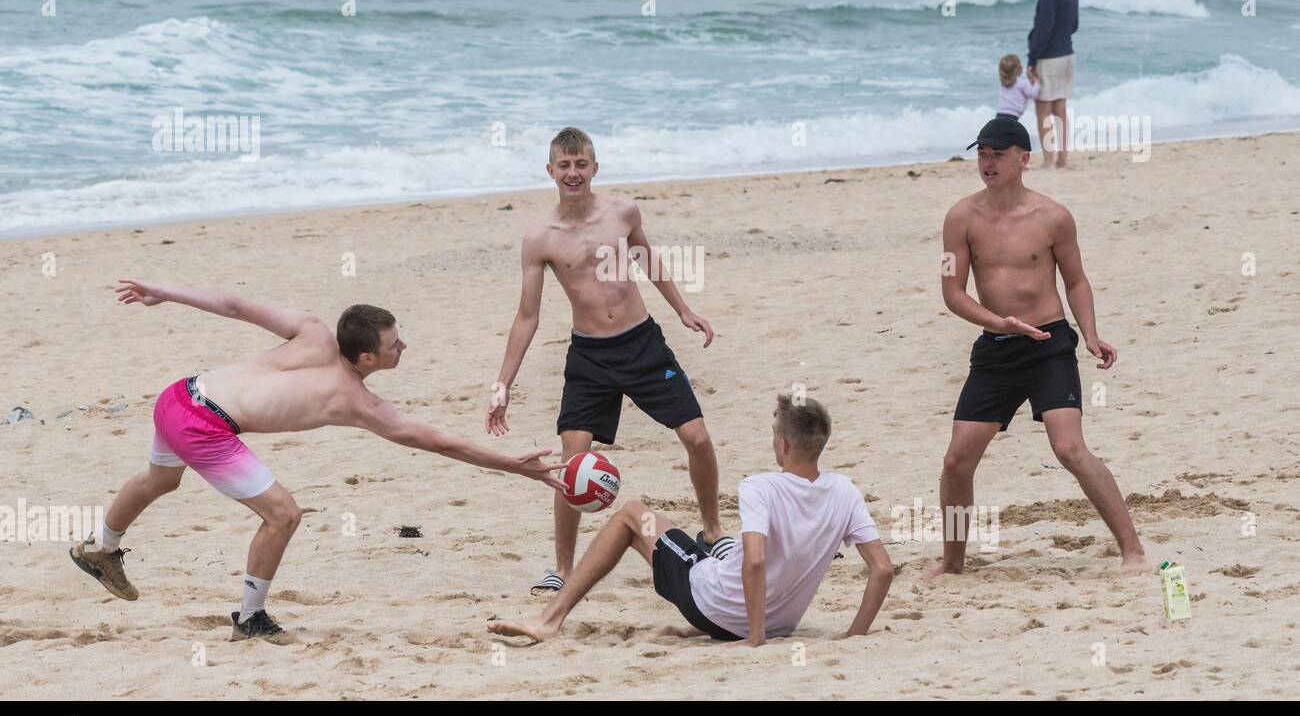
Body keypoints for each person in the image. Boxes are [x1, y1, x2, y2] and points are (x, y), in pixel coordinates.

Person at [69, 280, 564, 643]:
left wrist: (165, 292)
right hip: (204, 423)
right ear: (367, 358)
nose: (403, 347)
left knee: (161, 480)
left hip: (179, 393)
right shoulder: (354, 401)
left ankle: (100, 546)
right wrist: (513, 465)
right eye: (395, 344)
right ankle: (249, 618)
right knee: (282, 514)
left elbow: (235, 304)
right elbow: (439, 443)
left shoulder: (313, 331)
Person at [486, 126, 727, 596]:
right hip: (590, 357)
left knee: (696, 437)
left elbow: (648, 260)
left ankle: (714, 531)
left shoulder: (622, 212)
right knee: (571, 462)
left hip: (643, 345)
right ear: (550, 171)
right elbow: (527, 316)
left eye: (581, 164)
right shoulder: (540, 238)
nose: (573, 173)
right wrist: (503, 384)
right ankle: (563, 567)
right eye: (564, 165)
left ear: (595, 167)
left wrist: (683, 310)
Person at [487, 394, 892, 645]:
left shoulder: (760, 487)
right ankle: (713, 598)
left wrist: (753, 639)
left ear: (783, 443)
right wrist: (853, 636)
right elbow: (882, 571)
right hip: (783, 624)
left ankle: (549, 618)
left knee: (631, 513)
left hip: (714, 606)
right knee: (721, 545)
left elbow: (755, 562)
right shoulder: (845, 492)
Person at [931, 117, 1146, 575]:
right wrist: (998, 322)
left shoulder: (1053, 216)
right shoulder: (960, 218)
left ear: (1023, 159)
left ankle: (1133, 552)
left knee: (1069, 449)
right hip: (996, 350)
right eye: (981, 153)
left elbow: (1076, 280)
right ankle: (952, 565)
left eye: (997, 154)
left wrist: (1089, 334)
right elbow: (952, 292)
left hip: (1049, 345)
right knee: (956, 460)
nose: (986, 162)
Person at [1026, 0, 1078, 169]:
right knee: (1060, 110)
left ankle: (1048, 161)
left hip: (1049, 58)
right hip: (1067, 54)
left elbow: (1043, 30)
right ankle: (1062, 160)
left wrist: (1031, 60)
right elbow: (1074, 24)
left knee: (1043, 110)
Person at [997, 53, 1040, 123]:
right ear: (1019, 69)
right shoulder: (1022, 83)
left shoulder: (1003, 83)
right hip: (1013, 117)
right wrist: (1037, 82)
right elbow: (1033, 94)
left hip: (999, 114)